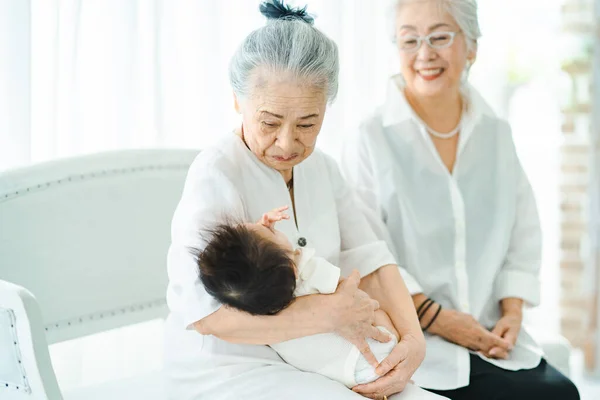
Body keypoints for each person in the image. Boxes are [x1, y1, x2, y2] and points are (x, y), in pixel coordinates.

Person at [164, 1, 445, 399]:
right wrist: (325, 315)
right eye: (269, 122)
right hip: (230, 367)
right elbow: (206, 316)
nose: (286, 143)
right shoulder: (215, 174)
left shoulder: (323, 169)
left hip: (321, 357)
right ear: (237, 102)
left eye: (307, 124)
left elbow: (371, 259)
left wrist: (414, 343)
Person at [342, 0, 580, 399]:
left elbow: (524, 235)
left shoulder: (496, 134)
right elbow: (366, 255)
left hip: (492, 341)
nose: (424, 54)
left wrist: (513, 312)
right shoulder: (369, 139)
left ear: (471, 46)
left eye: (439, 36)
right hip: (415, 343)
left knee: (562, 394)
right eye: (409, 40)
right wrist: (439, 320)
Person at [195, 206, 399, 388]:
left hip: (343, 373)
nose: (270, 226)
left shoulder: (256, 303)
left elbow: (255, 261)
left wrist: (262, 233)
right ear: (294, 268)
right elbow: (347, 295)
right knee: (377, 311)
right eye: (271, 231)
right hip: (373, 357)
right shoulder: (309, 270)